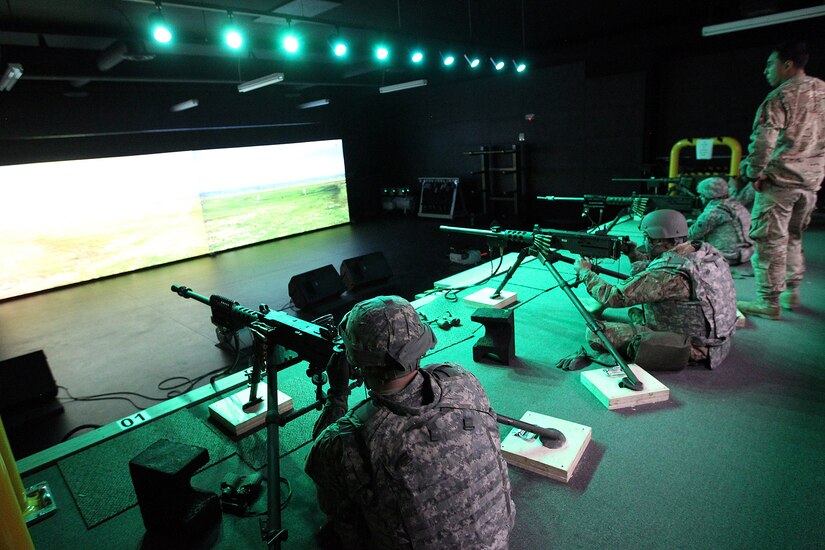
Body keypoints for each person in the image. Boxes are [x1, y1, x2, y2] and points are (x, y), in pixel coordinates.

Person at [305, 295, 515, 549]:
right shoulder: (462, 380)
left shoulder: (344, 440)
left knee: (330, 531)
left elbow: (323, 466)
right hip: (498, 540)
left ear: (354, 361)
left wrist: (337, 396)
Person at [570, 209, 738, 370]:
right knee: (636, 312)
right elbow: (652, 270)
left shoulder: (669, 273)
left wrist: (586, 272)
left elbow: (615, 297)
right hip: (717, 342)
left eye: (646, 237)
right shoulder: (704, 253)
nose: (644, 241)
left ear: (658, 240)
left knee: (596, 332)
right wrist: (633, 254)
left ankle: (654, 348)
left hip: (691, 346)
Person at [737, 41, 825, 319]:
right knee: (794, 238)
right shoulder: (822, 91)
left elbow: (763, 142)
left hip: (780, 183)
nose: (765, 70)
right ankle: (791, 291)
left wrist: (754, 173)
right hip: (810, 183)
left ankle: (768, 302)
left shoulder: (779, 96)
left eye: (770, 64)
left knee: (769, 242)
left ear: (787, 64)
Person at [688, 176, 754, 265]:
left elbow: (692, 234)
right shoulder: (736, 205)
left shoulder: (714, 211)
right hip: (745, 253)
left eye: (702, 194)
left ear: (709, 195)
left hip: (726, 256)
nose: (700, 197)